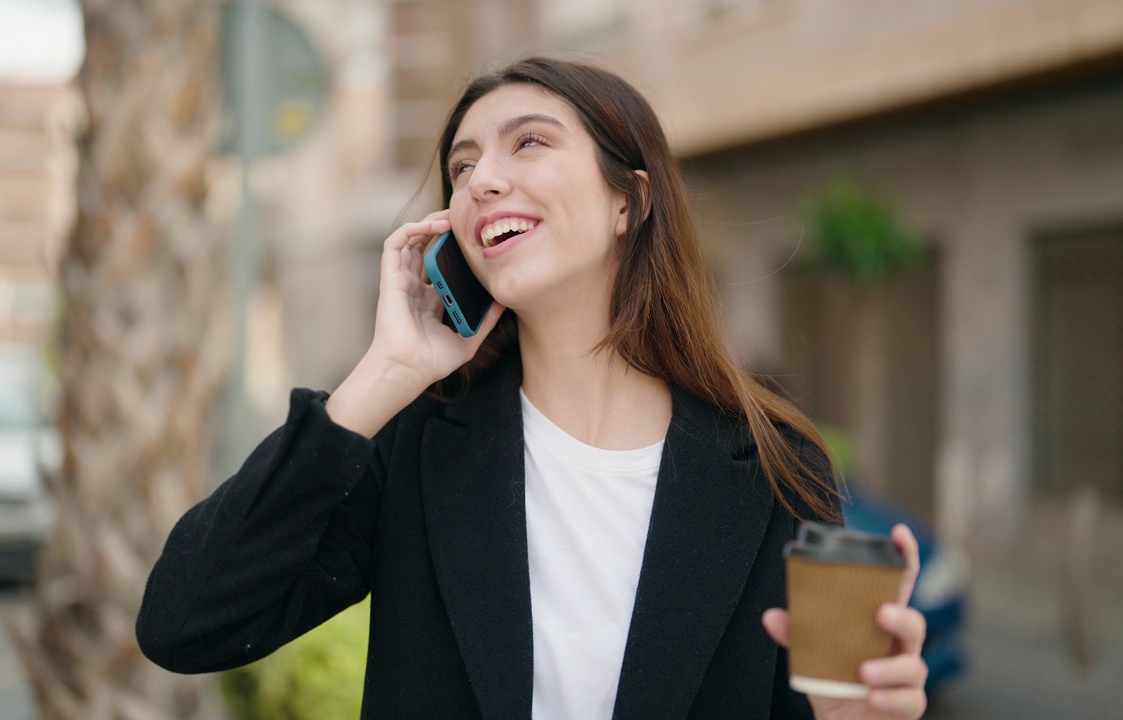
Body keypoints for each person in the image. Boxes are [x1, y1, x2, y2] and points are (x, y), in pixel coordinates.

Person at [136, 56, 929, 720]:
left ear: (631, 200)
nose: (482, 179)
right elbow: (185, 623)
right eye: (463, 165)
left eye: (529, 143)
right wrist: (387, 372)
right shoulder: (414, 450)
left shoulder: (774, 470)